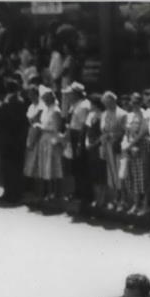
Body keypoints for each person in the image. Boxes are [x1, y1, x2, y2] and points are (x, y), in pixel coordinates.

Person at [0, 78, 27, 205]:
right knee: (16, 167)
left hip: (7, 139)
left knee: (8, 167)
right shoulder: (20, 101)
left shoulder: (6, 102)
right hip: (17, 139)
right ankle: (15, 193)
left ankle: (10, 193)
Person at [65, 82, 92, 215]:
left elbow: (83, 126)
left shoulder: (84, 105)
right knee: (75, 166)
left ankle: (84, 194)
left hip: (80, 136)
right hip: (73, 135)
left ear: (76, 93)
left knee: (81, 165)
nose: (69, 96)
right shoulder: (74, 105)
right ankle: (77, 191)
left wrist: (80, 142)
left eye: (71, 93)